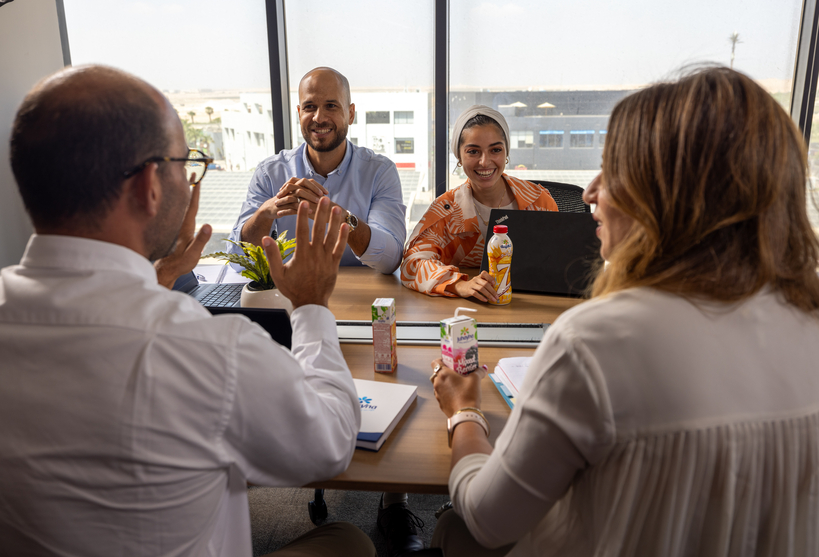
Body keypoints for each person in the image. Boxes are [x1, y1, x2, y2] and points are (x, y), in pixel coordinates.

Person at [427, 67, 819, 557]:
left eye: (613, 170)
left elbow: (489, 519)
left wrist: (463, 409)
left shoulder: (594, 341)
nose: (589, 193)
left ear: (672, 196)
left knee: (453, 532)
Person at [0, 65, 376, 557]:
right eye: (186, 163)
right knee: (350, 542)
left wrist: (153, 279)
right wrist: (309, 305)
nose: (191, 180)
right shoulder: (208, 351)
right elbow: (329, 443)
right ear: (148, 187)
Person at [229, 67, 406, 275]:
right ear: (299, 113)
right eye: (309, 107)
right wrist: (264, 213)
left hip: (359, 299)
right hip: (289, 295)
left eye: (331, 106)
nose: (319, 118)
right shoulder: (270, 173)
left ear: (350, 113)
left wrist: (340, 219)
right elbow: (238, 261)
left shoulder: (379, 171)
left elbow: (391, 259)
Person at [400, 105, 557, 301]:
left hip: (535, 304)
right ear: (459, 157)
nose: (485, 161)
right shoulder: (446, 210)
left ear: (506, 152)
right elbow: (412, 264)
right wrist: (459, 284)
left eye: (496, 150)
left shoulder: (539, 201)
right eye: (473, 151)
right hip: (471, 307)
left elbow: (559, 260)